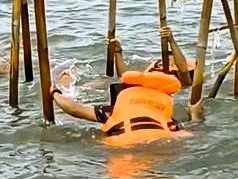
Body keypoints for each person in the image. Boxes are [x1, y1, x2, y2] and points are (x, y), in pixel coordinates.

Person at [51, 69, 204, 148]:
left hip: (122, 146)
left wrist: (54, 92)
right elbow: (189, 132)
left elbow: (73, 109)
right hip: (165, 144)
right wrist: (195, 115)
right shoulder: (162, 113)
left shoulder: (113, 110)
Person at [110, 27, 195, 86]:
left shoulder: (182, 79)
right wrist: (118, 51)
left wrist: (171, 40)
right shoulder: (152, 71)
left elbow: (183, 69)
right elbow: (124, 76)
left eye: (170, 55)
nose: (165, 59)